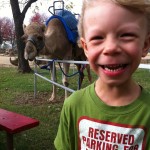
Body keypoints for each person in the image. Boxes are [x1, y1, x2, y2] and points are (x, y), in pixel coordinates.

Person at [54, 0, 150, 149]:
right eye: (98, 38)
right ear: (85, 47)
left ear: (145, 45)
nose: (110, 48)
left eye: (126, 35)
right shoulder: (73, 106)